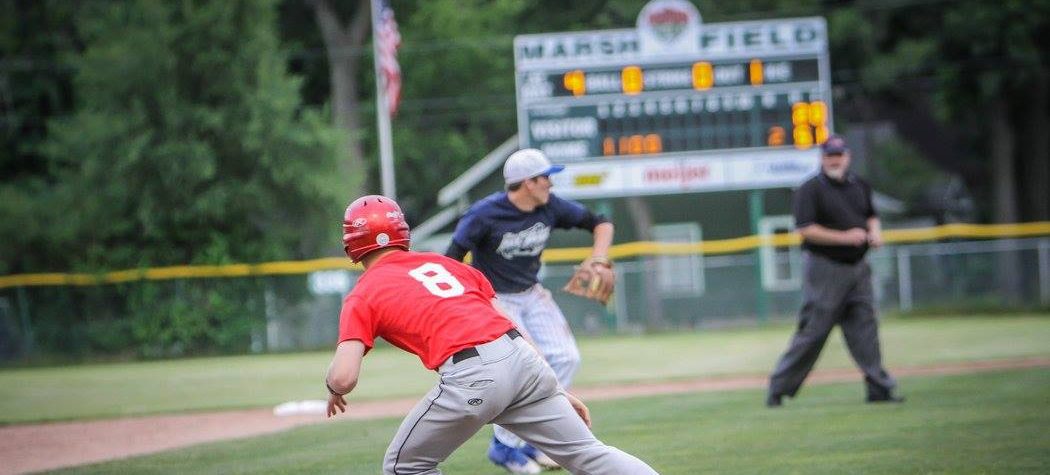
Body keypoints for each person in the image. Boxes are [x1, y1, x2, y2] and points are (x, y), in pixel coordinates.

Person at [325, 195, 657, 475]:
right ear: (402, 232)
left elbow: (344, 378)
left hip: (474, 373)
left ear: (351, 244)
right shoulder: (450, 266)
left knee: (404, 467)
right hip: (523, 361)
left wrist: (332, 388)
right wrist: (551, 385)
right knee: (590, 454)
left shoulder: (363, 293)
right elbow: (509, 324)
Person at [445, 149, 614, 472]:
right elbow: (452, 258)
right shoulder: (483, 214)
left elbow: (600, 222)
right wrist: (464, 302)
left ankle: (529, 442)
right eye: (545, 178)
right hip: (496, 300)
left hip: (532, 294)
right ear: (526, 183)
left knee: (566, 358)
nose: (550, 184)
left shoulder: (550, 206)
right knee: (523, 368)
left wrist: (599, 257)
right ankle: (505, 446)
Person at [766, 135, 904, 407]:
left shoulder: (859, 185)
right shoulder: (810, 189)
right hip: (824, 268)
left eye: (839, 154)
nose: (834, 159)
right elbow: (806, 229)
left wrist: (875, 233)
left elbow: (871, 216)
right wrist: (846, 237)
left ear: (847, 157)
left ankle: (879, 388)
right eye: (830, 155)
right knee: (813, 331)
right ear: (822, 158)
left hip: (858, 268)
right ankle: (778, 388)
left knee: (866, 329)